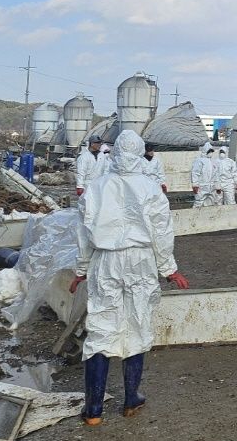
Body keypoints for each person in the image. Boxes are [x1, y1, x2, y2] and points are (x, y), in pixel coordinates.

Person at [69, 130, 189, 426]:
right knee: (136, 325)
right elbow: (162, 232)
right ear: (139, 153)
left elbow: (83, 233)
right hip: (140, 260)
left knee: (101, 328)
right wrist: (168, 269)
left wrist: (81, 270)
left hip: (105, 260)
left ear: (114, 151)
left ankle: (93, 410)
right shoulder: (150, 189)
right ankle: (130, 400)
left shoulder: (97, 187)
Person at [190, 143, 216, 208]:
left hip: (211, 186)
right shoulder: (199, 161)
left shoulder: (212, 161)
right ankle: (194, 217)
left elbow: (215, 174)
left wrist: (216, 185)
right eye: (209, 151)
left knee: (210, 203)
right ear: (205, 151)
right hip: (202, 186)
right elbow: (195, 173)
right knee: (199, 202)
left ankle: (207, 217)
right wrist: (195, 184)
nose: (211, 153)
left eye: (211, 151)